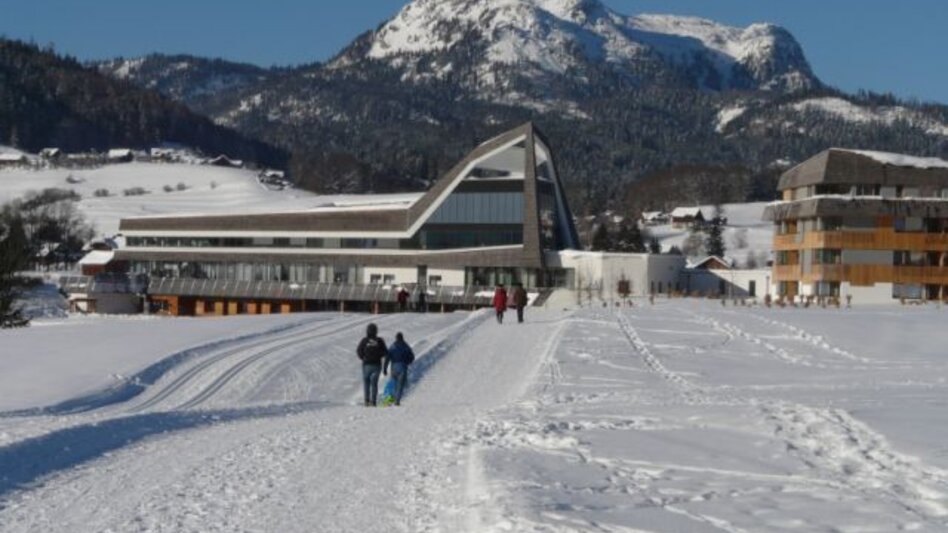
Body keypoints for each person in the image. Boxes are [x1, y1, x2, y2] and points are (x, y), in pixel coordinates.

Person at [356, 323, 388, 406]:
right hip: (377, 365)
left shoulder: (364, 340)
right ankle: (373, 401)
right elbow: (385, 352)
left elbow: (359, 350)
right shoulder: (380, 340)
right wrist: (379, 355)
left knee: (366, 383)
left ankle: (366, 401)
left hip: (366, 364)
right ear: (376, 331)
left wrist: (363, 357)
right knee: (374, 384)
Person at [384, 332, 415, 406]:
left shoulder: (393, 346)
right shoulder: (405, 346)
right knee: (400, 385)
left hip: (394, 366)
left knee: (393, 383)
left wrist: (385, 368)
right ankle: (397, 401)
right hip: (403, 366)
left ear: (396, 338)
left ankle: (389, 398)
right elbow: (412, 356)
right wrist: (407, 362)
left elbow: (387, 357)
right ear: (402, 338)